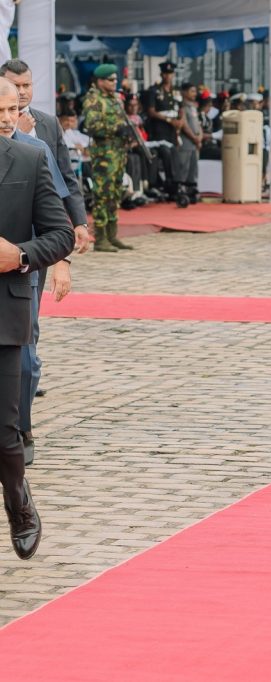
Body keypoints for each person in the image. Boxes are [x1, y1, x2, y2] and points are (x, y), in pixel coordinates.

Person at [0, 77, 76, 560]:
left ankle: (18, 500)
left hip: (4, 315)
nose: (7, 118)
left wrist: (21, 255)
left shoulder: (29, 159)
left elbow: (59, 234)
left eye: (10, 109)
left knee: (4, 431)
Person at [0, 59, 90, 255]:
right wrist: (17, 135)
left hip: (41, 236)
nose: (22, 91)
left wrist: (79, 222)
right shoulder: (11, 126)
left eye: (26, 85)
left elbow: (65, 177)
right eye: (16, 85)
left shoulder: (49, 123)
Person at [82, 64, 133, 252]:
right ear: (100, 81)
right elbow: (92, 126)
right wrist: (116, 129)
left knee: (115, 193)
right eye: (110, 80)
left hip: (117, 154)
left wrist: (126, 132)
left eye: (115, 79)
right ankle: (101, 238)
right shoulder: (94, 99)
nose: (114, 82)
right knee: (102, 195)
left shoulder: (113, 99)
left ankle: (112, 235)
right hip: (104, 156)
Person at [141, 61, 181, 194]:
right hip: (159, 131)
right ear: (161, 74)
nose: (168, 76)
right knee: (166, 153)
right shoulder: (154, 91)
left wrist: (180, 122)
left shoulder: (175, 91)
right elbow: (151, 111)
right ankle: (167, 183)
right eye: (165, 73)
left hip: (172, 132)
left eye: (170, 73)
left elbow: (181, 109)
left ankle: (175, 183)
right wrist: (169, 120)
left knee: (174, 154)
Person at [174, 82, 201, 203]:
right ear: (184, 92)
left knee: (193, 168)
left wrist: (199, 137)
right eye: (192, 91)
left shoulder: (193, 107)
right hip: (186, 142)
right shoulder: (182, 107)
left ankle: (192, 189)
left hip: (194, 143)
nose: (195, 94)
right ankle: (182, 190)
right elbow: (184, 124)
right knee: (183, 166)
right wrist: (194, 137)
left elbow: (198, 124)